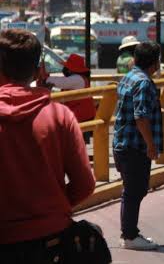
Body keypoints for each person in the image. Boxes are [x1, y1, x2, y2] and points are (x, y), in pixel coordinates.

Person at [0, 29, 96, 262]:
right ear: (36, 70)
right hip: (51, 240)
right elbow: (85, 184)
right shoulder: (59, 115)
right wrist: (52, 207)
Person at [112, 41, 163, 251]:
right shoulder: (143, 83)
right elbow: (141, 117)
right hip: (134, 147)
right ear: (153, 63)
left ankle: (129, 233)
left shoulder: (129, 76)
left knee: (131, 191)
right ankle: (130, 236)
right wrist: (151, 145)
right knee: (135, 191)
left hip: (123, 143)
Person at [41, 53, 97, 124]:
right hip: (83, 115)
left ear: (71, 69)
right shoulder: (80, 78)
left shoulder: (77, 79)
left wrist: (45, 78)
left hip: (82, 117)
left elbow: (60, 82)